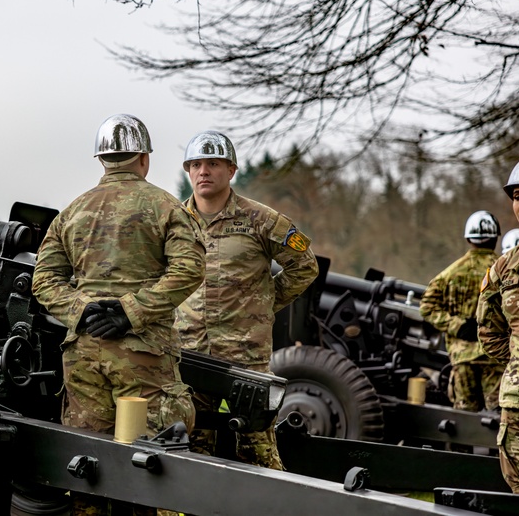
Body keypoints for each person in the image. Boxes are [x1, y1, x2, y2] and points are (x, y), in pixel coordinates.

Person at [32, 114, 205, 515]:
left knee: (87, 463)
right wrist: (131, 312)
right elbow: (189, 269)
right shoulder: (166, 206)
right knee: (152, 462)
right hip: (142, 355)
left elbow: (43, 281)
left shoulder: (72, 211)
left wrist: (83, 310)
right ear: (143, 158)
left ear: (102, 160)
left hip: (84, 356)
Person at [173, 130, 318, 470]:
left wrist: (263, 304)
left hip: (245, 357)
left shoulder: (261, 220)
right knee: (191, 450)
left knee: (258, 452)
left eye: (213, 163)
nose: (203, 171)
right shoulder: (172, 221)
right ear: (188, 172)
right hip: (190, 354)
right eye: (195, 164)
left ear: (231, 170)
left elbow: (305, 265)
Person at [421, 211, 504, 412]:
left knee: (464, 419)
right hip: (496, 356)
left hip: (463, 358)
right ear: (495, 238)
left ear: (468, 239)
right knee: (500, 417)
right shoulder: (505, 270)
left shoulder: (450, 273)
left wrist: (458, 326)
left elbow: (427, 307)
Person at [477, 160, 519, 494]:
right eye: (518, 196)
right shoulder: (505, 266)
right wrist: (517, 363)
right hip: (518, 404)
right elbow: (488, 327)